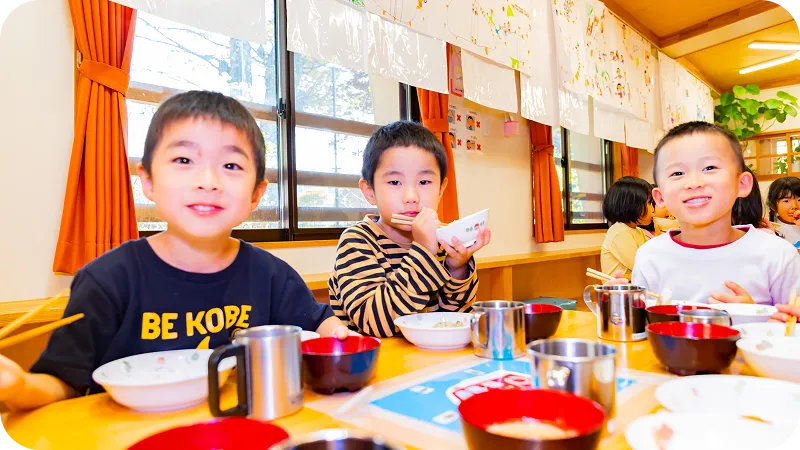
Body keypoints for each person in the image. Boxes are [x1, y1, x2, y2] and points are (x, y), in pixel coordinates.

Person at [0, 91, 353, 411]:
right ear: (148, 181)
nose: (208, 181)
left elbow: (321, 323)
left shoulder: (271, 274)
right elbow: (61, 384)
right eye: (184, 160)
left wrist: (339, 333)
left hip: (236, 424)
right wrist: (17, 386)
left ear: (256, 194)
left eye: (231, 166)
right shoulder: (106, 280)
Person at [328, 121, 491, 337]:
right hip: (376, 364)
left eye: (424, 182)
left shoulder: (443, 238)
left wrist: (456, 267)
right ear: (369, 191)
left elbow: (456, 318)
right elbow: (375, 323)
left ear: (441, 189)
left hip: (431, 361)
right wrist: (424, 252)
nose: (411, 197)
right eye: (395, 182)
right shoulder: (357, 241)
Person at [618, 121, 800, 305]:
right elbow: (643, 329)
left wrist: (758, 315)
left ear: (742, 184)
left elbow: (792, 325)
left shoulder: (777, 255)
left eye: (709, 168)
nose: (694, 182)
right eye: (677, 173)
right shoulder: (650, 256)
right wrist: (621, 307)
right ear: (660, 197)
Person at [600, 177, 654, 278]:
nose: (653, 209)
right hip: (618, 291)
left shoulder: (637, 231)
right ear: (632, 205)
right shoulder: (620, 232)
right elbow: (641, 266)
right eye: (649, 203)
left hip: (633, 288)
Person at [766, 176, 800, 247]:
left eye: (799, 200)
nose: (794, 206)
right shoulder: (768, 228)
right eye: (786, 201)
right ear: (773, 206)